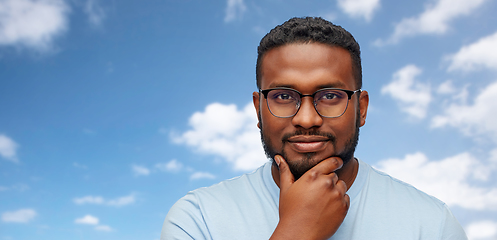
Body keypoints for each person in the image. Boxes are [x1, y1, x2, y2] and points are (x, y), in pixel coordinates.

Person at [161, 17, 467, 240]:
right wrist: (297, 231)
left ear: (361, 108)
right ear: (258, 109)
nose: (306, 119)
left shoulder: (432, 225)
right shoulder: (198, 219)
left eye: (330, 96)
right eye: (283, 96)